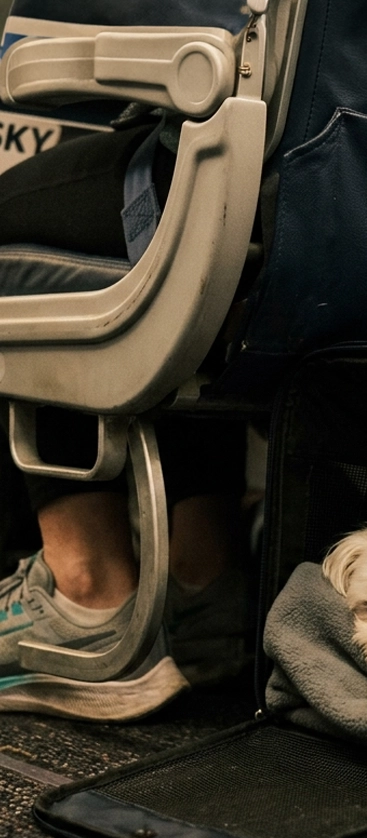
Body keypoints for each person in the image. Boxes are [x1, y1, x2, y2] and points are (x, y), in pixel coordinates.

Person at [0, 113, 254, 720]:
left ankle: (86, 593)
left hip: (231, 171)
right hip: (351, 199)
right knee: (208, 278)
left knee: (205, 181)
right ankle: (205, 591)